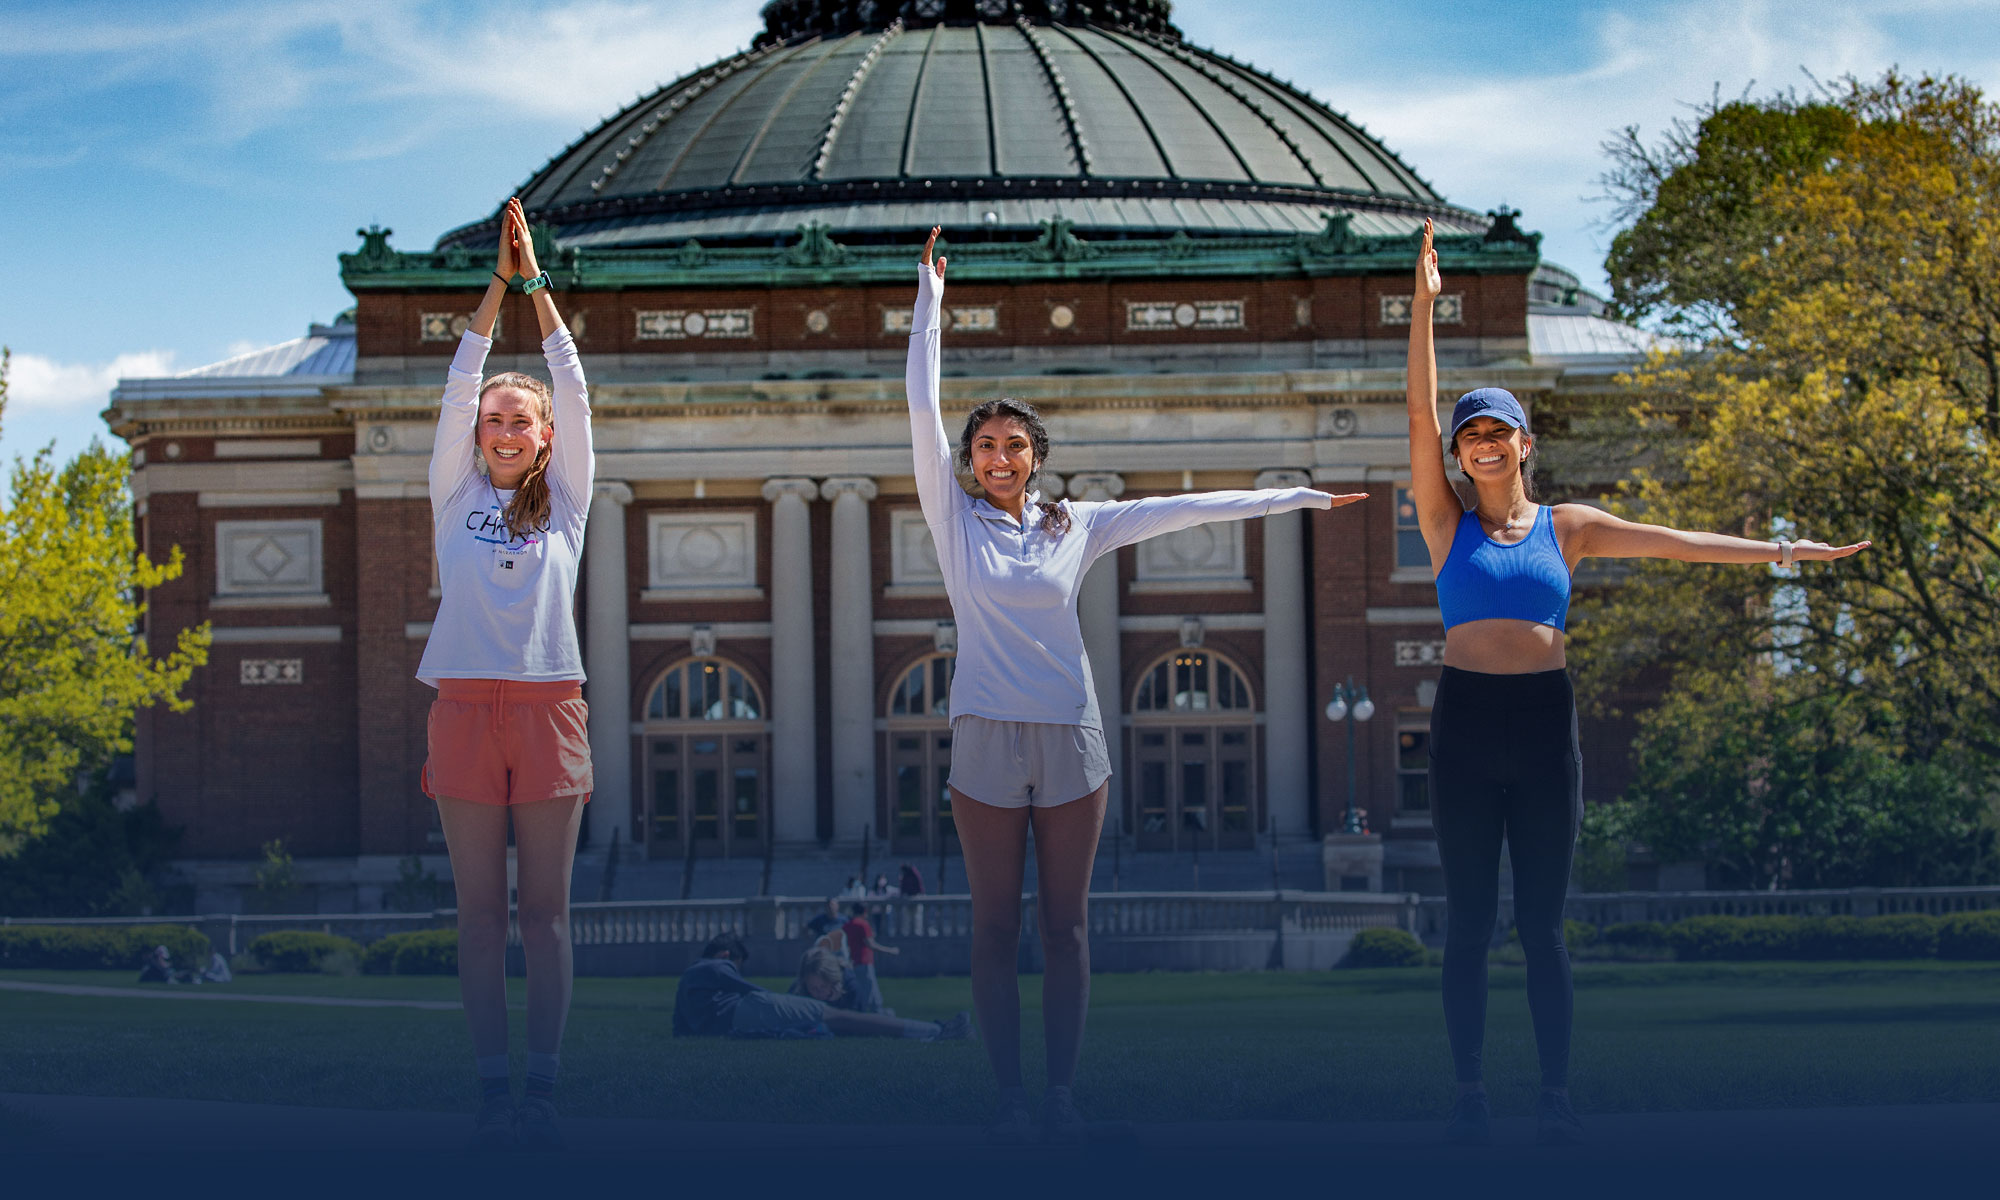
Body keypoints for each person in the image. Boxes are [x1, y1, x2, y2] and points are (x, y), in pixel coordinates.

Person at [1404, 218, 1870, 1147]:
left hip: (1543, 725)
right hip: (1464, 727)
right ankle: (1467, 1089)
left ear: (1526, 444)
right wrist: (1424, 306)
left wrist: (1785, 548)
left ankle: (1555, 1093)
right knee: (1467, 925)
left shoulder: (1567, 527)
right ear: (1459, 455)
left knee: (1540, 926)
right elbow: (1417, 409)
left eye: (1500, 432)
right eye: (1473, 436)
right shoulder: (1443, 522)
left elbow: (1681, 542)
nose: (1484, 444)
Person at [907, 227, 1367, 1143]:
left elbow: (1185, 508)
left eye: (1014, 445)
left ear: (1038, 455)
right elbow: (919, 408)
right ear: (968, 461)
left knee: (1069, 930)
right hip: (986, 737)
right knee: (995, 927)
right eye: (984, 446)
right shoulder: (953, 521)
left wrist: (1300, 499)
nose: (998, 457)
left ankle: (1062, 1092)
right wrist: (930, 302)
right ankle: (1007, 1095)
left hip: (1072, 735)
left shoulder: (1077, 524)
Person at [417, 197, 596, 1153]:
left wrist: (539, 290)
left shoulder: (567, 501)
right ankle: (493, 1087)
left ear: (544, 434)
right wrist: (495, 288)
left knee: (548, 915)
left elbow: (571, 383)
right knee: (481, 914)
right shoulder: (452, 490)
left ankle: (546, 1085)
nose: (500, 425)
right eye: (492, 416)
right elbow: (457, 382)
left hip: (548, 706)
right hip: (463, 707)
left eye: (519, 418)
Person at [674, 934, 968, 1041]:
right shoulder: (714, 965)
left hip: (726, 1024)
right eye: (736, 963)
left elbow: (680, 1027)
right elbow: (746, 988)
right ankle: (936, 1031)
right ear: (727, 957)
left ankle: (933, 1031)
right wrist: (775, 999)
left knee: (837, 1021)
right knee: (839, 1018)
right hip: (747, 1010)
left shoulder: (687, 978)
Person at [843, 901, 899, 1014]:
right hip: (864, 961)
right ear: (865, 911)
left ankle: (871, 1010)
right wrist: (890, 950)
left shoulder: (846, 926)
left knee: (866, 989)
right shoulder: (863, 924)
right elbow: (871, 944)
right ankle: (870, 1013)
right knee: (869, 990)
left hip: (854, 962)